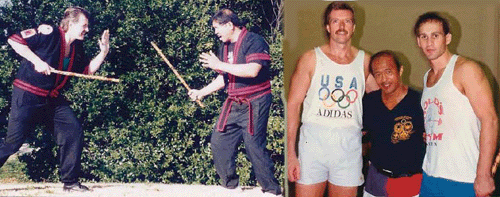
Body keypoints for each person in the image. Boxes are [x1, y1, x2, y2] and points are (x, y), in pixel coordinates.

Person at [0, 6, 110, 192]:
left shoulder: (76, 48)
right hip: (28, 95)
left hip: (51, 99)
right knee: (13, 143)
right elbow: (14, 40)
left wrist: (104, 52)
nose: (87, 29)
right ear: (70, 24)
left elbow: (87, 71)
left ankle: (70, 182)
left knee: (72, 130)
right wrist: (36, 61)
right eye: (84, 25)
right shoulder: (48, 33)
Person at [286, 2, 377, 196]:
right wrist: (290, 154)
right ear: (328, 27)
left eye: (347, 21)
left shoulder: (366, 61)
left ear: (354, 27)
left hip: (348, 148)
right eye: (336, 21)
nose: (341, 27)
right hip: (313, 146)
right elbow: (293, 104)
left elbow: (382, 100)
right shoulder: (311, 58)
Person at [188, 8, 282, 196]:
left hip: (255, 101)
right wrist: (201, 92)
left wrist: (218, 65)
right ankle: (230, 186)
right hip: (234, 102)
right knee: (219, 141)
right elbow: (224, 78)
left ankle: (272, 190)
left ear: (229, 25)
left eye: (217, 28)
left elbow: (253, 70)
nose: (215, 32)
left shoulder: (254, 41)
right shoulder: (224, 47)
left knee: (253, 145)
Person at [414, 12, 498, 197]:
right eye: (424, 37)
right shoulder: (427, 76)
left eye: (435, 35)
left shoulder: (465, 69)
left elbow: (489, 120)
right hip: (430, 175)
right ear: (418, 41)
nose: (429, 42)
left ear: (448, 38)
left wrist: (483, 175)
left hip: (463, 177)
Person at [362, 51, 425, 197]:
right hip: (376, 182)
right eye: (378, 74)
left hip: (411, 184)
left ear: (400, 70)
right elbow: (363, 136)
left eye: (388, 72)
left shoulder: (419, 101)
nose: (384, 79)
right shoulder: (369, 102)